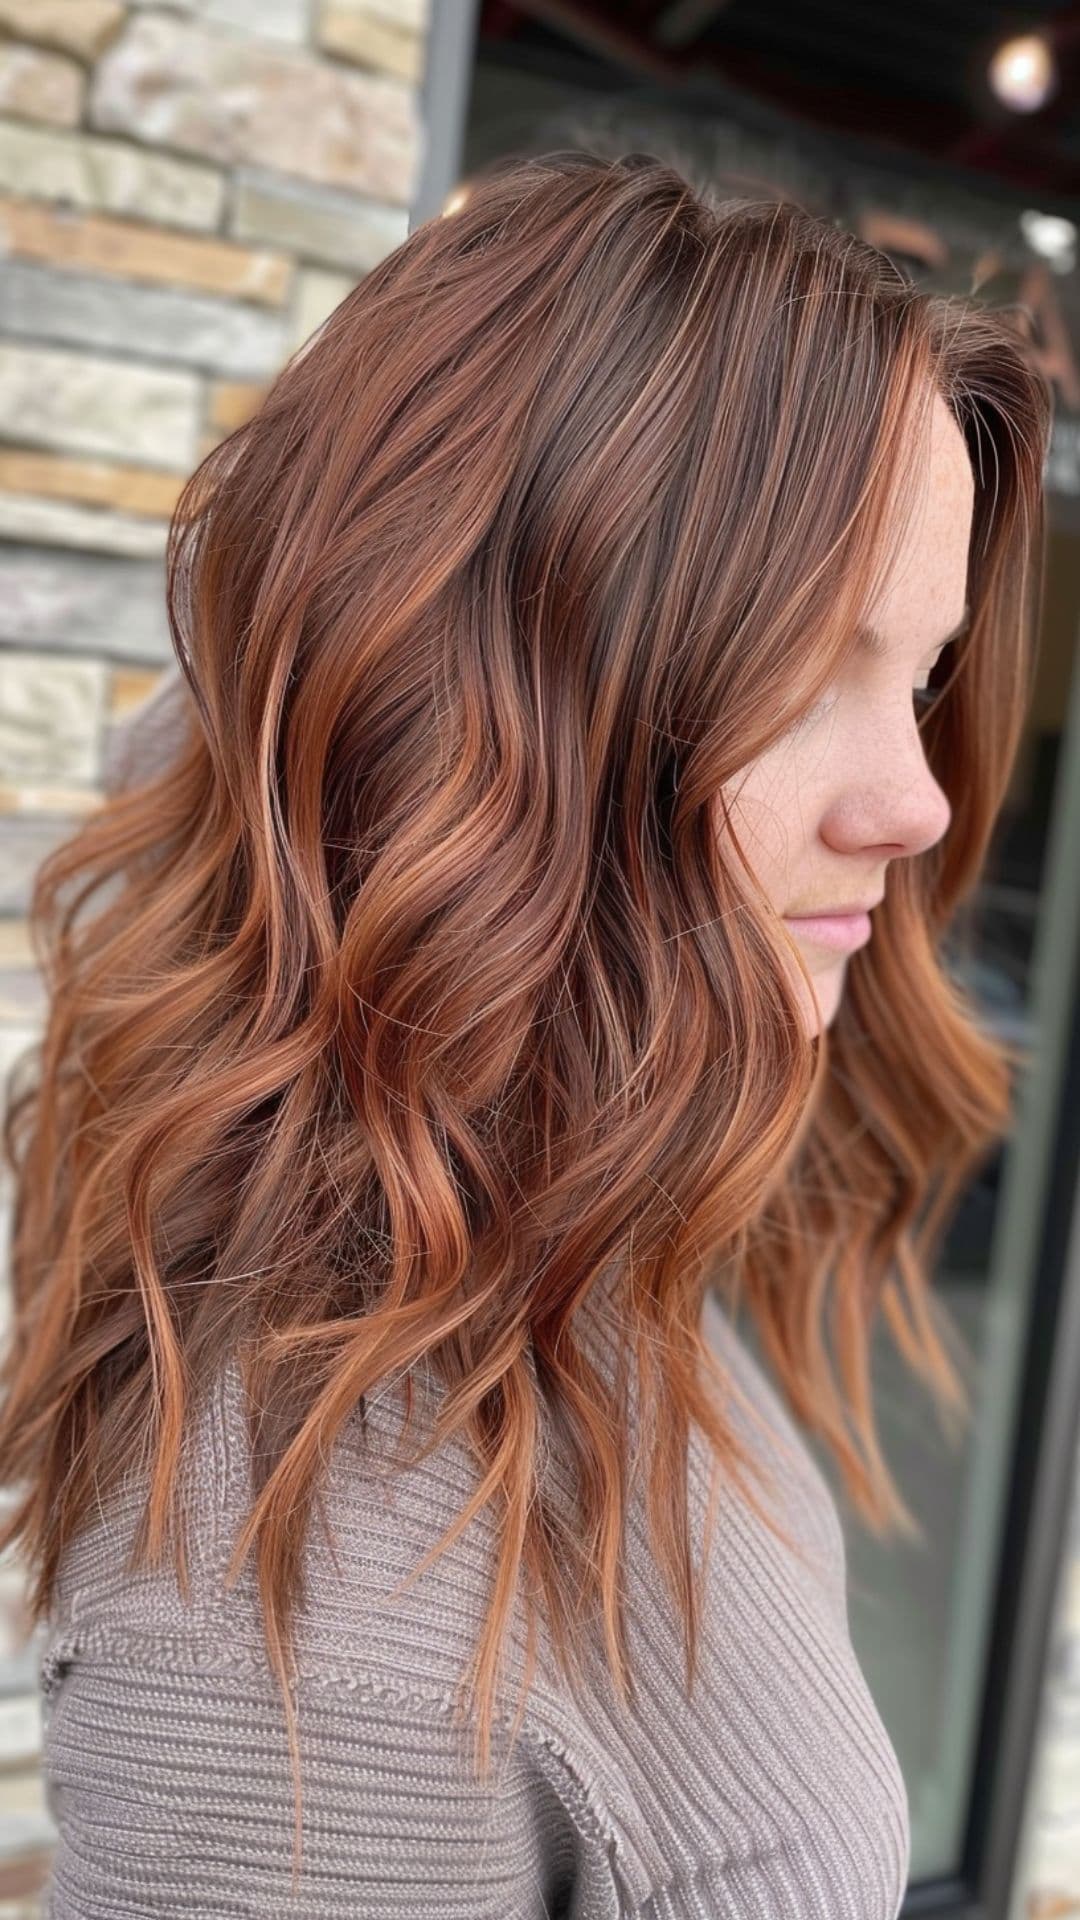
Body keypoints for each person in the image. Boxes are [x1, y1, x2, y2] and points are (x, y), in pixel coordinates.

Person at [0, 147, 1050, 1918]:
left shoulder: (564, 1208)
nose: (923, 800)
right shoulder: (307, 1631)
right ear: (487, 715)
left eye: (925, 675)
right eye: (810, 665)